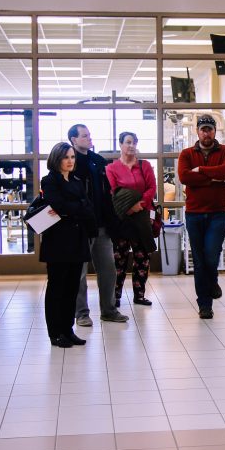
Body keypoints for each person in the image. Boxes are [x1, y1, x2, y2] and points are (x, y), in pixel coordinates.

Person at [69, 124, 129, 326]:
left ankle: (109, 310)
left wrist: (113, 222)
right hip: (81, 226)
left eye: (89, 135)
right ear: (73, 140)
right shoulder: (70, 163)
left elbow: (108, 193)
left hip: (101, 225)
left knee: (108, 269)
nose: (88, 138)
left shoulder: (98, 162)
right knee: (80, 273)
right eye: (84, 136)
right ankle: (82, 313)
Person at [178, 114, 225, 319]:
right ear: (197, 131)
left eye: (209, 129)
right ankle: (205, 305)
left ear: (215, 131)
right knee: (200, 260)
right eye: (203, 129)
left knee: (211, 255)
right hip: (194, 213)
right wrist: (214, 178)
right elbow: (184, 176)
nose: (206, 133)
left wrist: (201, 171)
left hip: (218, 213)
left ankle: (212, 281)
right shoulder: (186, 154)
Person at [40, 143, 95, 348]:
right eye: (66, 157)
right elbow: (58, 205)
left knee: (72, 287)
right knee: (57, 287)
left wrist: (73, 209)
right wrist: (76, 207)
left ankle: (67, 329)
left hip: (76, 239)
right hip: (58, 241)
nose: (71, 161)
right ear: (57, 159)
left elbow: (87, 207)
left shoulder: (77, 181)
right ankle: (55, 332)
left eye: (72, 157)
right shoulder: (49, 180)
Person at [106, 131, 157, 307]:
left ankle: (140, 295)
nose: (132, 145)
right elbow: (113, 192)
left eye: (134, 142)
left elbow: (151, 188)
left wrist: (140, 205)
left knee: (142, 258)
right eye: (128, 142)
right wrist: (128, 208)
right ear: (120, 144)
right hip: (121, 219)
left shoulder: (145, 166)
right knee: (119, 259)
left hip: (141, 217)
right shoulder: (111, 168)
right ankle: (116, 296)